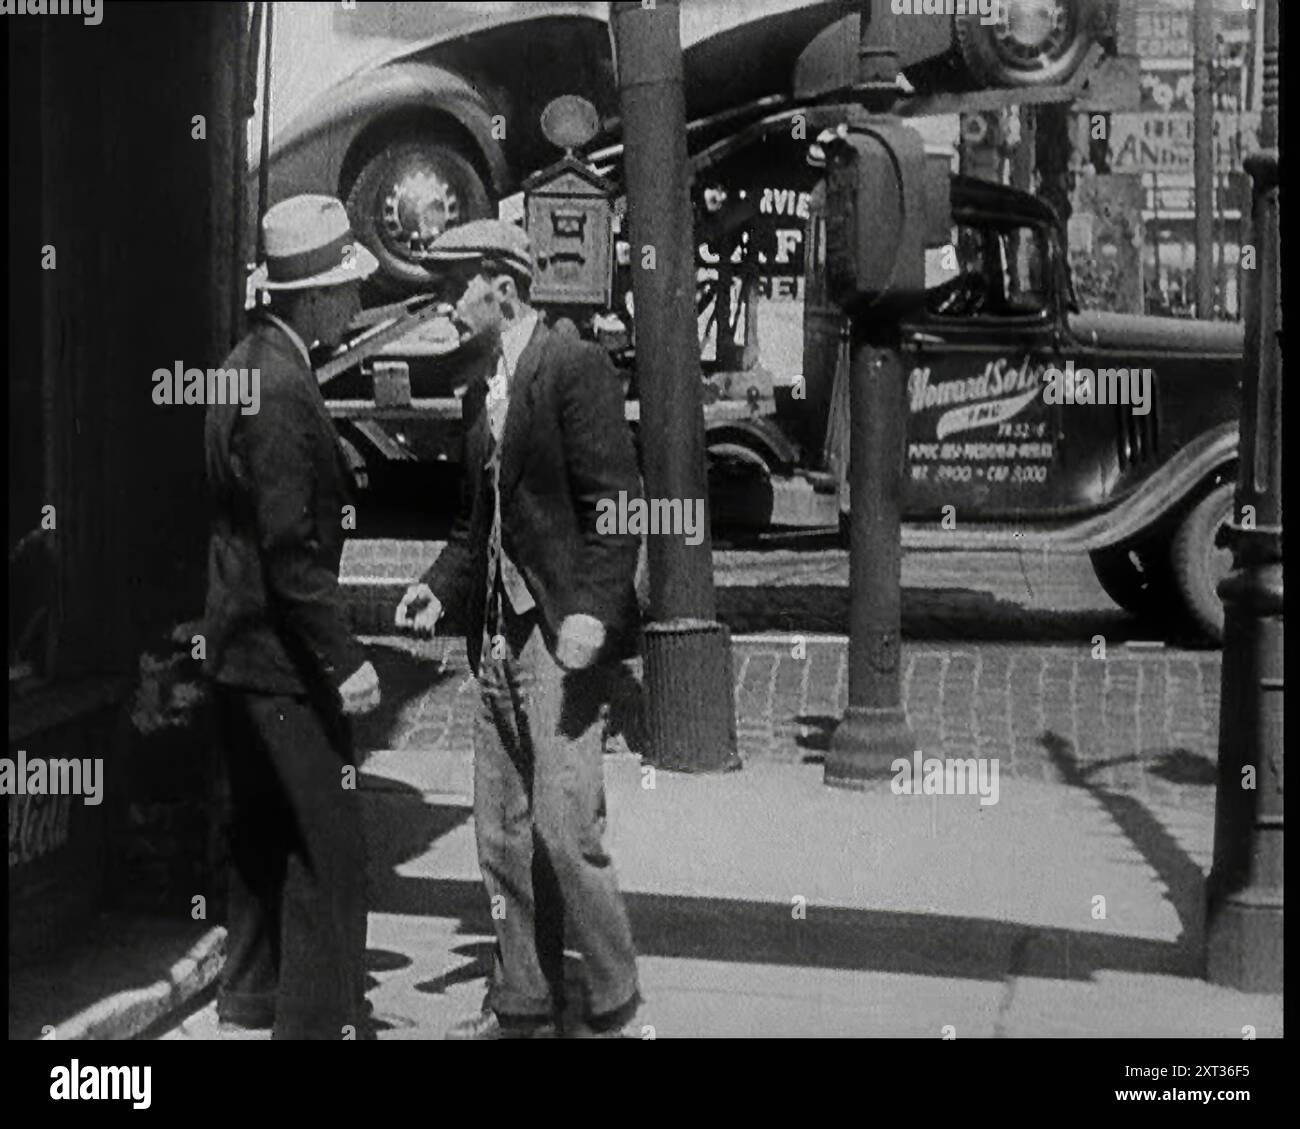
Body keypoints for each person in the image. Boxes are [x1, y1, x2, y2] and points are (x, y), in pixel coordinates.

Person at [395, 219, 643, 1039]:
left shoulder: (574, 367)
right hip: (499, 634)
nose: (446, 303)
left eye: (455, 285)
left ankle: (614, 1000)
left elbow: (617, 506)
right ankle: (523, 999)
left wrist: (592, 612)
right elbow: (477, 526)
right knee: (500, 831)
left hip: (557, 633)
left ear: (503, 287)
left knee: (565, 825)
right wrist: (439, 588)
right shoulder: (482, 388)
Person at [203, 194, 382, 1039]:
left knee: (263, 828)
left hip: (240, 650)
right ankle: (312, 1022)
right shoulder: (279, 387)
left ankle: (248, 992)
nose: (355, 300)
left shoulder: (245, 362)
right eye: (347, 286)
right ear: (312, 297)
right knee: (327, 844)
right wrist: (346, 658)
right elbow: (288, 549)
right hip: (281, 658)